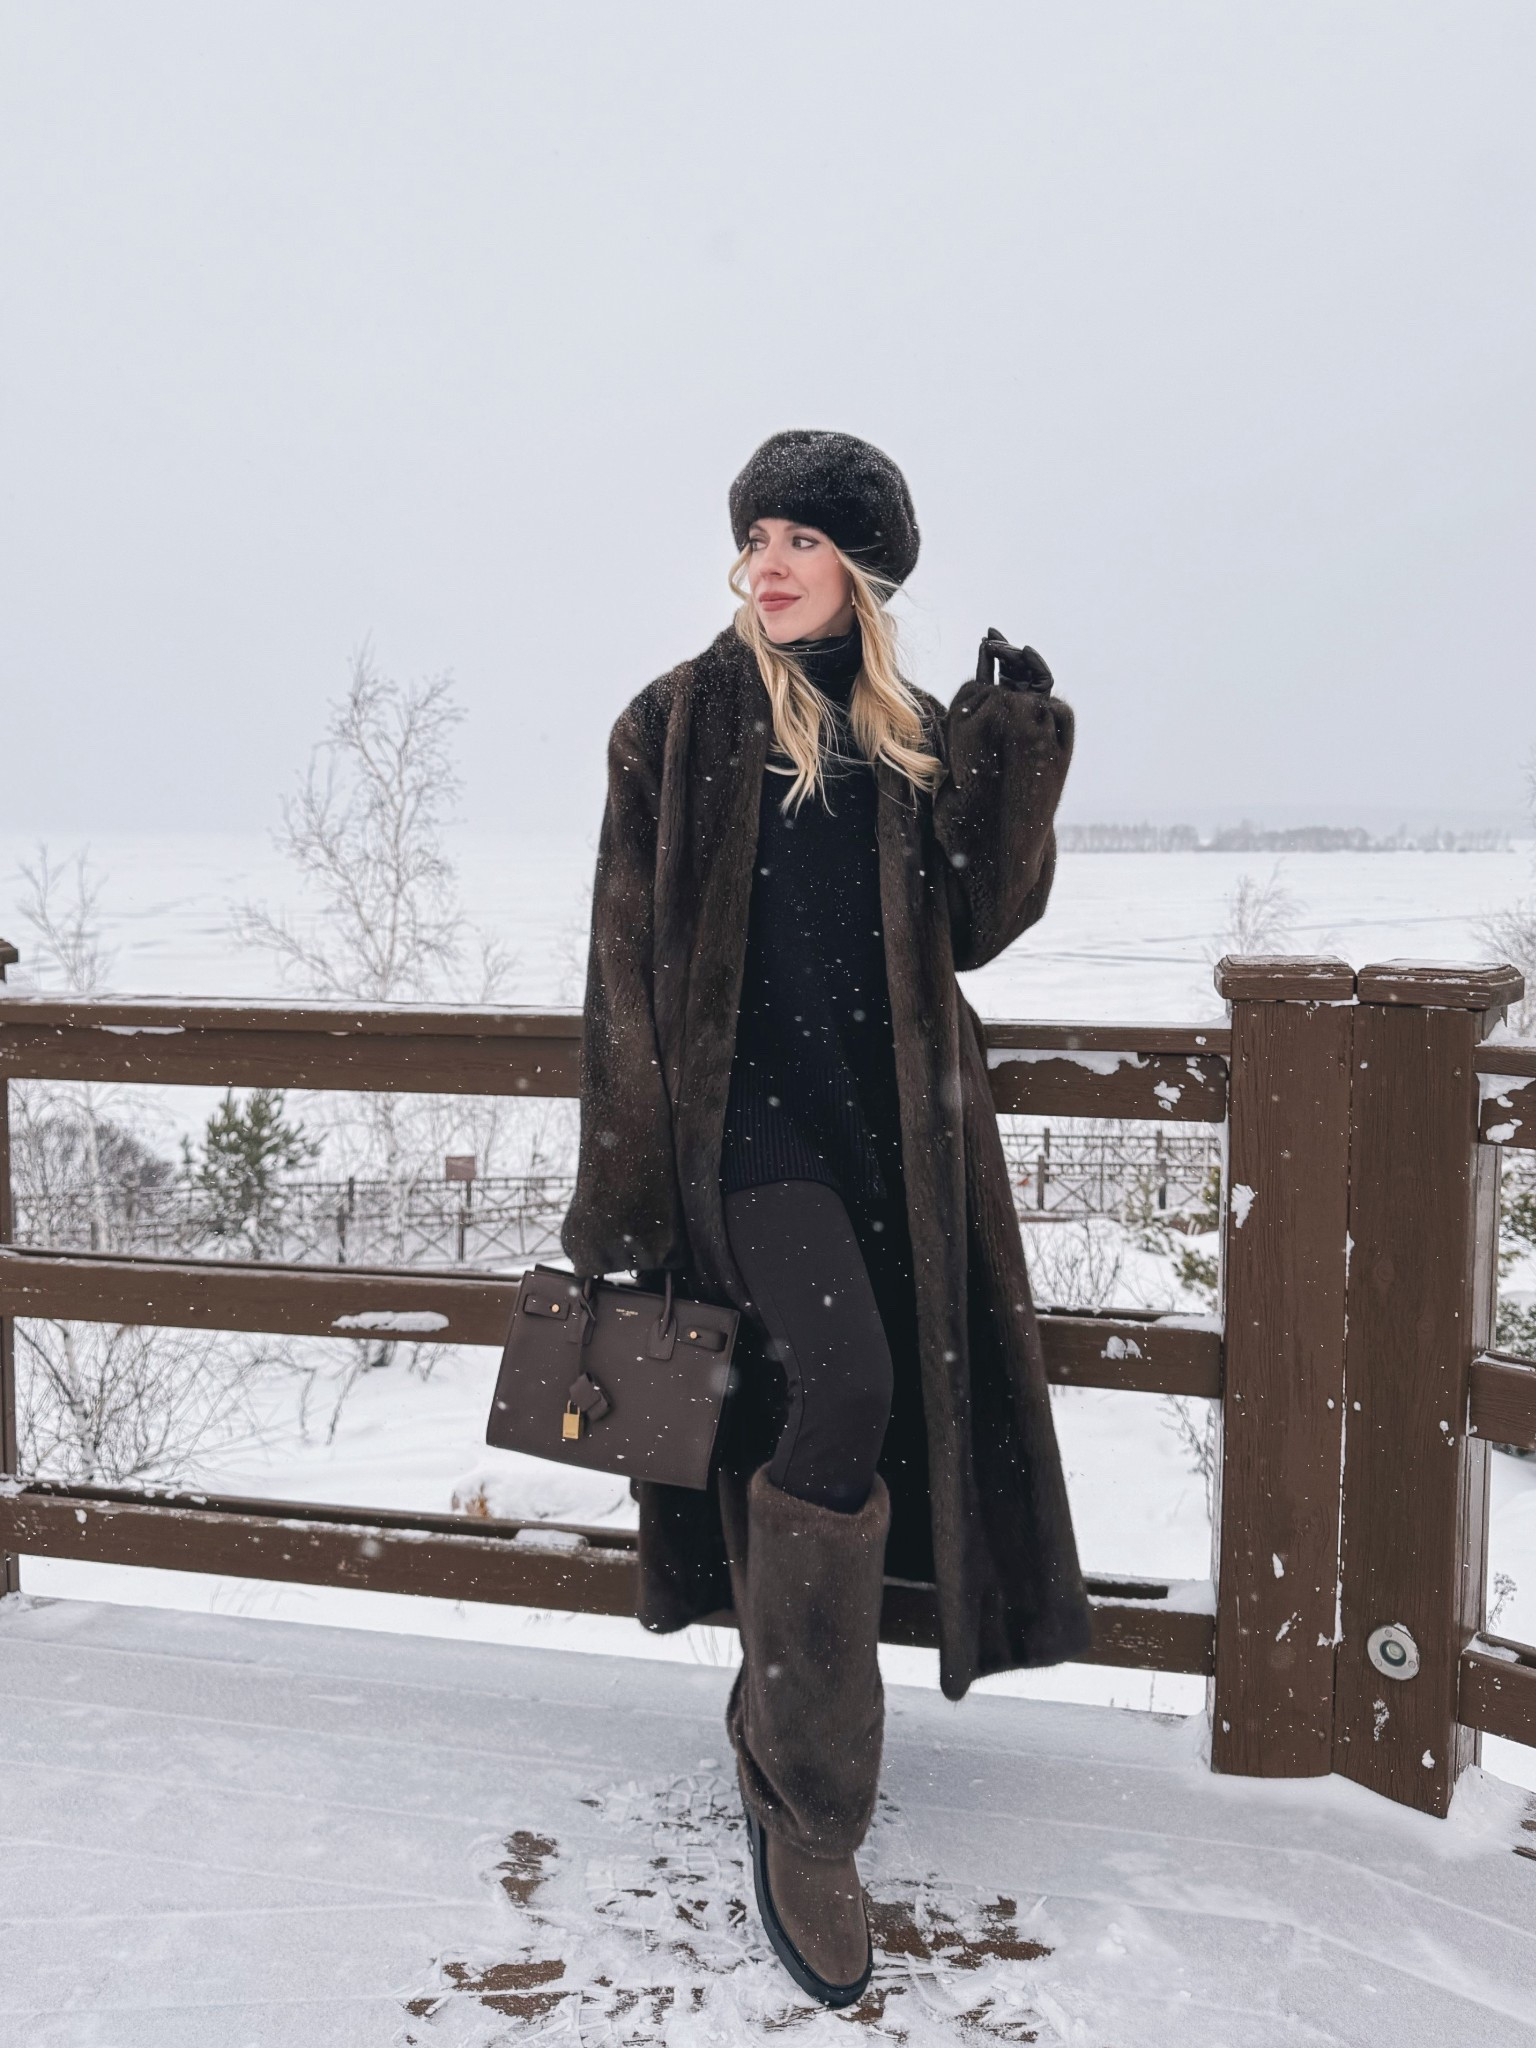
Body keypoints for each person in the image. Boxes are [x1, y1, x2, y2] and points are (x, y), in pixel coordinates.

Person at [561, 428, 1090, 2007]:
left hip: (894, 1144)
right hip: (749, 1144)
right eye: (757, 538)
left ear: (864, 571)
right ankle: (808, 1807)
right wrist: (627, 1195)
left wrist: (1016, 744)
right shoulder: (674, 724)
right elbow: (616, 976)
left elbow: (984, 926)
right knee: (846, 1388)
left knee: (860, 1410)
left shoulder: (912, 732)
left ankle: (780, 1729)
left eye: (803, 540)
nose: (769, 563)